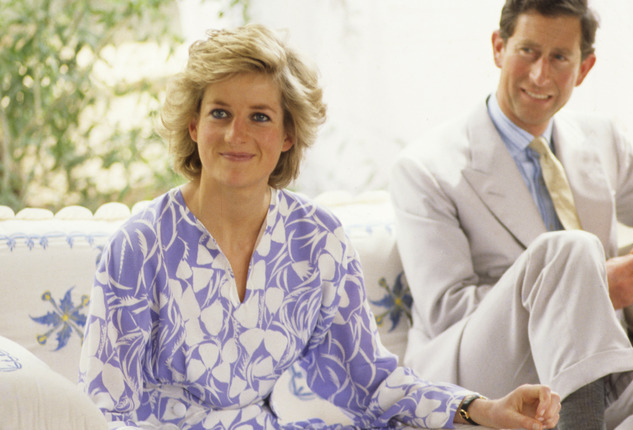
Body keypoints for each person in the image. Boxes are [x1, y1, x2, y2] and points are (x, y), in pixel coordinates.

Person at [77, 24, 562, 429]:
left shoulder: (317, 238)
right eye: (219, 113)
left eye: (259, 117)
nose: (235, 134)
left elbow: (366, 378)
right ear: (192, 126)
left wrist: (480, 409)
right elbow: (107, 407)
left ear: (288, 135)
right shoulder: (139, 246)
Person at [389, 0, 633, 429]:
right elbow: (448, 311)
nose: (540, 74)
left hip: (600, 379)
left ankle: (583, 417)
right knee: (573, 252)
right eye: (528, 51)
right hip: (481, 382)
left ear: (584, 67)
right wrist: (586, 291)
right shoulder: (426, 167)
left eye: (559, 57)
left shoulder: (600, 140)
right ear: (499, 47)